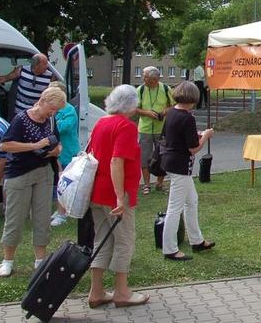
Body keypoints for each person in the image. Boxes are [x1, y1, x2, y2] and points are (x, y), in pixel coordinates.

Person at [86, 85, 149, 308]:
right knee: (124, 241)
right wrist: (120, 198)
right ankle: (122, 292)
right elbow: (117, 160)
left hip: (97, 191)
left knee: (101, 239)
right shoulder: (126, 126)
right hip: (116, 193)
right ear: (131, 104)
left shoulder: (101, 123)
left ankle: (97, 292)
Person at [0, 85, 65, 277]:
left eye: (56, 110)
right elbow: (5, 145)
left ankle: (40, 259)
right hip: (20, 173)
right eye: (52, 108)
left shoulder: (50, 120)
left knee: (42, 217)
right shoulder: (21, 119)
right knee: (15, 218)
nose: (53, 113)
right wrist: (34, 145)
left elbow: (57, 141)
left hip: (44, 172)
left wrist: (56, 149)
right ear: (42, 101)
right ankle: (7, 260)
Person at [160, 81, 216, 261]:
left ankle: (196, 240)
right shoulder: (187, 117)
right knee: (174, 208)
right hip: (181, 166)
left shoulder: (172, 113)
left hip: (173, 162)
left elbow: (177, 136)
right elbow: (193, 148)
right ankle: (170, 248)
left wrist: (197, 133)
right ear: (193, 98)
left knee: (192, 201)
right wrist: (205, 136)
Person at [136, 66, 174, 194]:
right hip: (145, 129)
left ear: (154, 79)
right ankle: (146, 184)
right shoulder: (140, 90)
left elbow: (173, 106)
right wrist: (146, 113)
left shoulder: (165, 89)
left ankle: (159, 183)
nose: (143, 79)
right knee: (144, 157)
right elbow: (135, 108)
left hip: (162, 128)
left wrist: (164, 112)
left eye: (145, 76)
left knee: (162, 156)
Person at [49, 81, 79, 227]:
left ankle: (62, 214)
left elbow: (62, 128)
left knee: (64, 183)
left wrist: (50, 121)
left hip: (67, 151)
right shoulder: (51, 110)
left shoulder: (69, 111)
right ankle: (59, 209)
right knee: (56, 181)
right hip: (55, 153)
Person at [0, 53, 54, 118]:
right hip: (19, 113)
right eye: (45, 64)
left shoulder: (50, 76)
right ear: (37, 65)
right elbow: (4, 78)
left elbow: (51, 95)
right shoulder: (22, 70)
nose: (47, 66)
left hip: (36, 114)